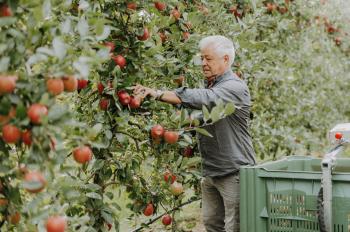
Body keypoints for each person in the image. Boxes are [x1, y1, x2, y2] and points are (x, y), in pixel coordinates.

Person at [132, 35, 256, 232]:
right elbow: (196, 113)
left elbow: (206, 98)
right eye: (202, 59)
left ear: (225, 59)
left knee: (236, 227)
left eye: (209, 59)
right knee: (212, 224)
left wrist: (157, 93)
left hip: (235, 173)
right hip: (211, 172)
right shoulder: (212, 87)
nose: (203, 63)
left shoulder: (235, 87)